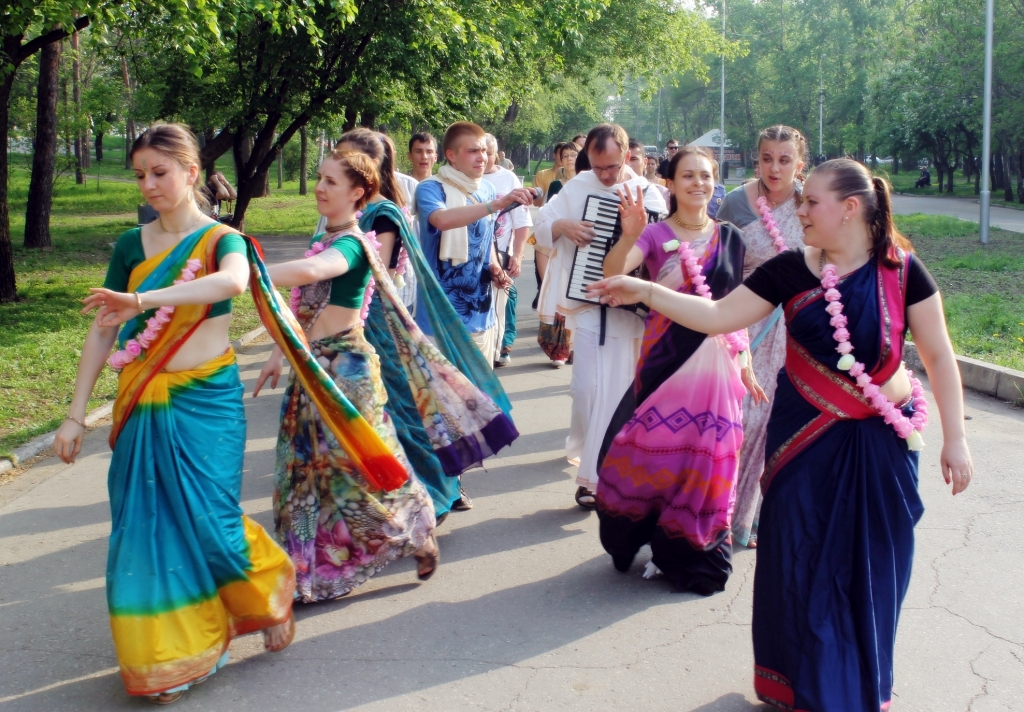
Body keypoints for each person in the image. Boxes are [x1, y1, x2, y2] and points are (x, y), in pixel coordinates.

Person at [587, 158, 973, 712]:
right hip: (803, 442)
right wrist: (644, 290)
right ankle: (804, 684)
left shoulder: (904, 271)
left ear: (850, 208)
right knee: (801, 559)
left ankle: (855, 682)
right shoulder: (791, 269)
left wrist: (954, 438)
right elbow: (718, 315)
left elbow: (937, 355)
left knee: (871, 569)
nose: (800, 210)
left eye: (811, 201)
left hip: (882, 449)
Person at [52, 123, 296, 704]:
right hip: (143, 399)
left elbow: (233, 283)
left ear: (191, 172)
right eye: (139, 175)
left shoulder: (221, 240)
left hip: (206, 400)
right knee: (144, 530)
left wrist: (144, 300)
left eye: (159, 172)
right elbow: (103, 329)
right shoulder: (130, 246)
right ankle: (166, 655)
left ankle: (269, 593)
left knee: (212, 523)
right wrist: (74, 412)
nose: (149, 185)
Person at [255, 150, 444, 603]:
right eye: (318, 178)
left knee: (360, 466)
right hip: (311, 366)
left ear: (357, 192)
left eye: (330, 182)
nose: (319, 187)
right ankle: (305, 572)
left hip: (348, 372)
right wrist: (279, 353)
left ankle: (414, 526)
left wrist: (247, 271)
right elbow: (305, 303)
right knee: (301, 475)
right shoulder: (326, 236)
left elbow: (316, 272)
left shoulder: (356, 243)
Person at [313, 130, 517, 522]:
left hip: (373, 324)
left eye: (345, 164)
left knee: (407, 410)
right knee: (376, 413)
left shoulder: (383, 212)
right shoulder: (345, 212)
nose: (331, 177)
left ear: (368, 169)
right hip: (345, 326)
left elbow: (377, 276)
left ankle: (437, 487)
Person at [599, 146, 756, 595]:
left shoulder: (731, 237)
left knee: (708, 461)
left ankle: (693, 546)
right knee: (654, 454)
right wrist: (629, 236)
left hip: (721, 368)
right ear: (669, 182)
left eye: (706, 176)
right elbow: (615, 276)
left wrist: (744, 362)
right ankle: (636, 531)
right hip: (666, 362)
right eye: (688, 176)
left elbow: (736, 307)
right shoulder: (653, 234)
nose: (698, 184)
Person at [534, 123, 667, 508]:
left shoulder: (650, 195)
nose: (604, 175)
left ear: (627, 156)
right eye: (597, 167)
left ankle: (596, 478)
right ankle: (584, 447)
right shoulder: (578, 186)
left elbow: (662, 249)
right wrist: (562, 225)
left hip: (633, 311)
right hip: (588, 301)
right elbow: (541, 223)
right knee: (587, 390)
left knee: (621, 392)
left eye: (611, 167)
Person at [716, 125, 809, 548]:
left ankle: (749, 517)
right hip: (744, 319)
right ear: (757, 160)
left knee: (776, 422)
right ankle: (717, 508)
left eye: (785, 159)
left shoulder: (811, 203)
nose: (775, 167)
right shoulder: (736, 203)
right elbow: (718, 265)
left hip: (797, 327)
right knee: (739, 419)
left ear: (800, 164)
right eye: (767, 158)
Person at [414, 121, 534, 366]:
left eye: (483, 151)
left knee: (478, 398)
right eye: (472, 151)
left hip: (479, 308)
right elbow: (441, 220)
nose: (482, 158)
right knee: (440, 399)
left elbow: (486, 237)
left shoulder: (487, 189)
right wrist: (495, 206)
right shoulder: (430, 188)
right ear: (451, 155)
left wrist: (493, 266)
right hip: (439, 311)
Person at [483, 133, 533, 367]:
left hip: (502, 251)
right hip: (476, 254)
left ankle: (505, 343)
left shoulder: (508, 179)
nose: (483, 158)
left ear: (497, 155)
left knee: (507, 298)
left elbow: (522, 222)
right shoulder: (464, 178)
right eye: (478, 152)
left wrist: (518, 255)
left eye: (488, 153)